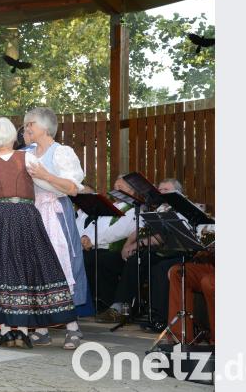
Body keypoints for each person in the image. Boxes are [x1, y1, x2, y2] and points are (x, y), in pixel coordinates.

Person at [0, 117, 77, 349]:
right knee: (33, 267)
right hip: (26, 215)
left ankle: (8, 331)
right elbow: (47, 184)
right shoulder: (28, 157)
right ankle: (34, 328)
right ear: (13, 137)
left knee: (1, 270)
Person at [23, 107, 87, 349]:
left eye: (31, 124)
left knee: (63, 266)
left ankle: (72, 328)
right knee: (36, 268)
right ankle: (41, 328)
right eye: (26, 124)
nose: (27, 128)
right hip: (32, 214)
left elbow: (72, 188)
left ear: (46, 127)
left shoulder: (62, 152)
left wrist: (45, 175)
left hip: (55, 214)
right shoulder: (26, 153)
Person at [95, 178, 187, 325]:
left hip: (168, 252)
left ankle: (122, 308)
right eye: (160, 190)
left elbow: (164, 237)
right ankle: (108, 305)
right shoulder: (157, 208)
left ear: (178, 193)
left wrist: (138, 244)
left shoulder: (181, 210)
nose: (162, 193)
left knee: (136, 260)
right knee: (107, 260)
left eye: (166, 190)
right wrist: (126, 245)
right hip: (147, 249)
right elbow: (139, 229)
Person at [79, 176, 139, 311]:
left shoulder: (133, 209)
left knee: (99, 259)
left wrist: (92, 241)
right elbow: (94, 223)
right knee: (84, 258)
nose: (116, 190)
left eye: (120, 188)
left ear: (132, 191)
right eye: (115, 187)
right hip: (97, 247)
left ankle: (106, 301)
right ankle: (92, 301)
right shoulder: (109, 206)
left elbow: (120, 231)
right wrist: (85, 236)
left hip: (116, 250)